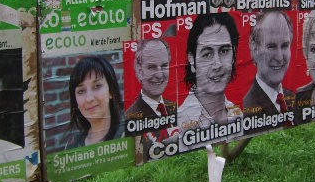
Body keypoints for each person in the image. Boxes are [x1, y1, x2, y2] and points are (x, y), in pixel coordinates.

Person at [177, 13, 243, 151]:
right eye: (207, 54)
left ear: (234, 54)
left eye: (224, 51)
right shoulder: (180, 123)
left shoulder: (237, 114)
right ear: (192, 59)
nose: (217, 64)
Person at [126, 39, 178, 158]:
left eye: (164, 66)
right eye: (152, 67)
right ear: (139, 72)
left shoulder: (176, 107)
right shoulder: (130, 117)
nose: (160, 75)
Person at [66, 55, 124, 148]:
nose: (89, 98)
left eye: (97, 86)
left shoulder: (129, 134)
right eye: (81, 91)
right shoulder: (71, 147)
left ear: (111, 91)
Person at [244, 11, 295, 115]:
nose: (279, 57)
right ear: (255, 49)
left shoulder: (294, 98)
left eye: (285, 45)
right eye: (271, 47)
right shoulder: (247, 108)